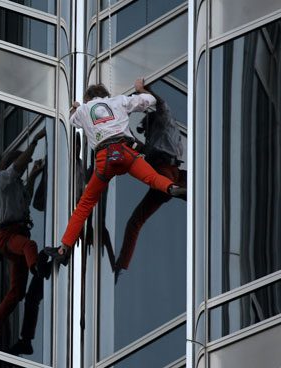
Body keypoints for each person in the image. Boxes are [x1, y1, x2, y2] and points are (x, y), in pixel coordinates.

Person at [46, 79, 186, 265]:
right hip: (127, 153)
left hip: (105, 159)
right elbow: (149, 101)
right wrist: (141, 90)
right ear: (106, 96)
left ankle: (64, 248)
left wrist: (75, 107)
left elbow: (73, 121)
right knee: (153, 178)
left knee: (85, 205)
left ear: (88, 99)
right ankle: (171, 188)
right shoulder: (118, 101)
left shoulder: (84, 110)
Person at [0, 129, 51, 356]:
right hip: (8, 236)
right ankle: (38, 269)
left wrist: (34, 174)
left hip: (16, 235)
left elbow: (25, 197)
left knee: (17, 293)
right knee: (30, 248)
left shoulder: (13, 184)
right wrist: (34, 142)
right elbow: (16, 168)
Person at [114, 87, 186, 282]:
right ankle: (181, 190)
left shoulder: (165, 121)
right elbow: (145, 149)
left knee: (135, 222)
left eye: (146, 129)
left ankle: (121, 266)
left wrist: (145, 90)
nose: (146, 133)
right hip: (174, 172)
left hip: (165, 173)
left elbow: (161, 104)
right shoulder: (160, 137)